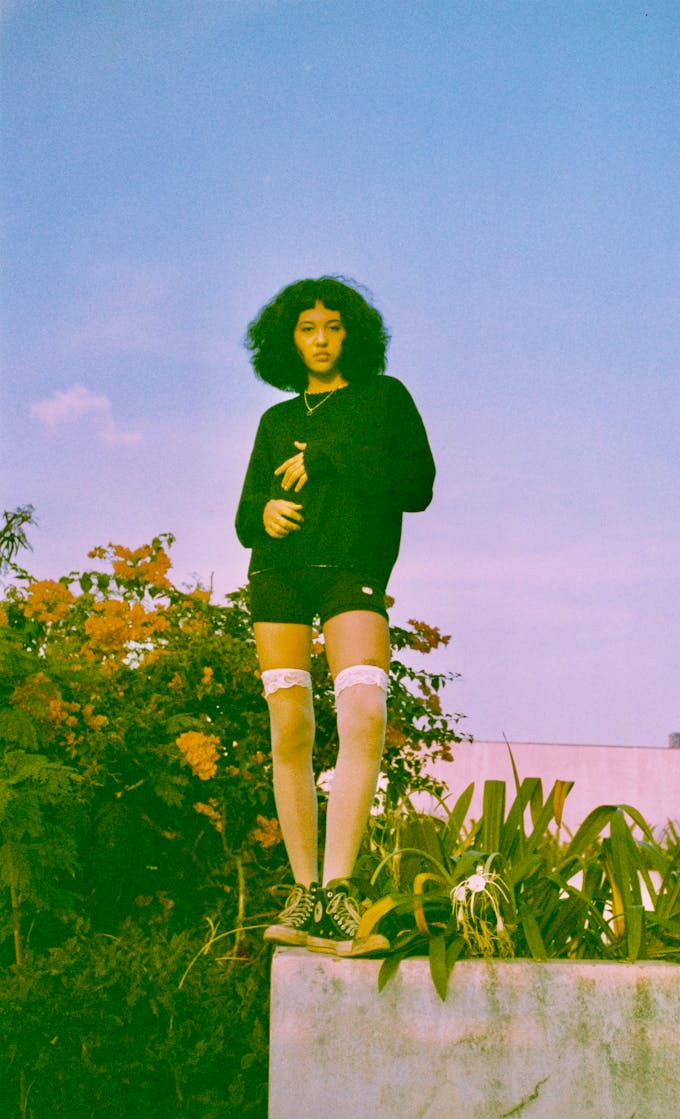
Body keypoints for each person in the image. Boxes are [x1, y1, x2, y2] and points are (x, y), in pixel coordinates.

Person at [235, 276, 435, 957]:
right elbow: (244, 518)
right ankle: (304, 892)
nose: (320, 340)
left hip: (352, 573)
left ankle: (341, 889)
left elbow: (418, 486)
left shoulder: (384, 399)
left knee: (363, 718)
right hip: (279, 576)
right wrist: (262, 510)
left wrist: (328, 457)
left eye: (333, 327)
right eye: (306, 330)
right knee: (289, 726)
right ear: (288, 342)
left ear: (354, 333)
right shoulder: (275, 422)